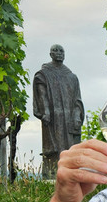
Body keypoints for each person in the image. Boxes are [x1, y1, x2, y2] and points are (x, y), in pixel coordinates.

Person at [32, 44, 85, 179]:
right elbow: (41, 95)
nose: (59, 53)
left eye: (62, 51)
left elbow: (77, 100)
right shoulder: (43, 74)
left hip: (70, 119)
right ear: (50, 54)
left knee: (71, 149)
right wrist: (46, 112)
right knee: (55, 151)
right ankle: (54, 177)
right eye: (55, 51)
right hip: (54, 118)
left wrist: (77, 115)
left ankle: (71, 175)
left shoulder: (72, 77)